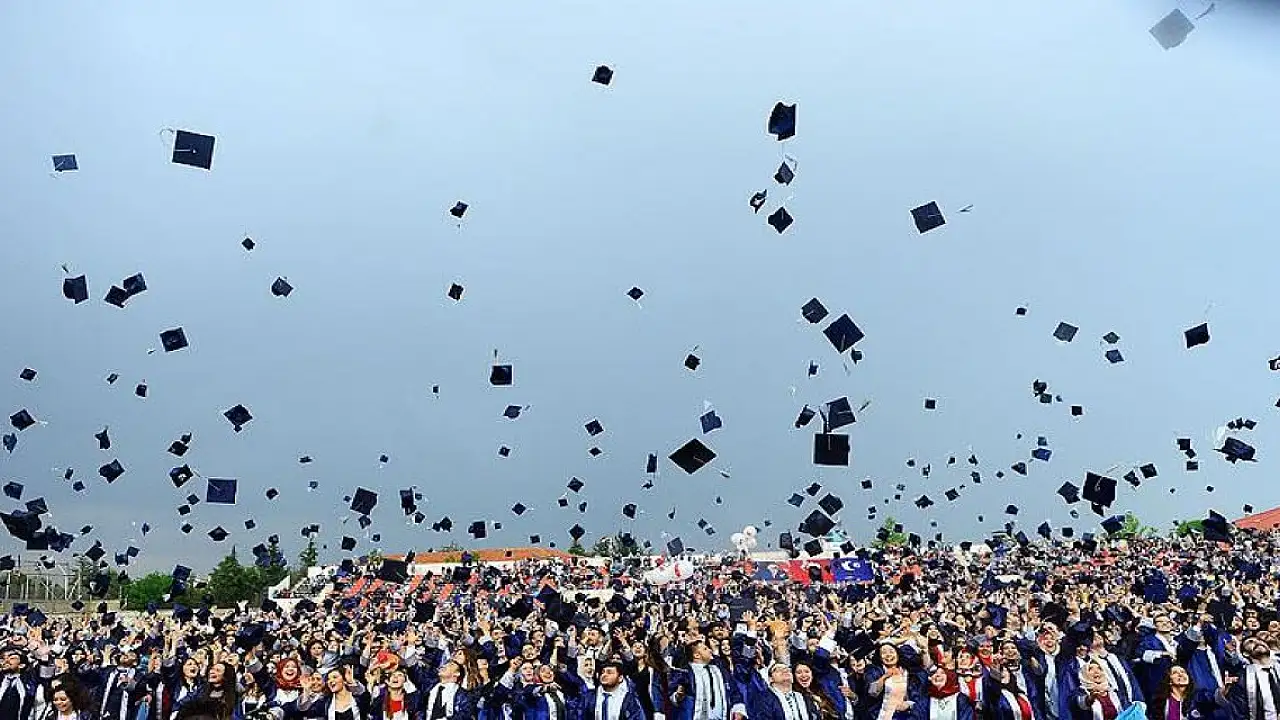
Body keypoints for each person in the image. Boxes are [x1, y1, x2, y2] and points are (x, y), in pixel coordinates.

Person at [578, 660, 644, 720]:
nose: (604, 675)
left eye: (609, 672)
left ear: (620, 678)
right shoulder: (589, 697)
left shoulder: (629, 700)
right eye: (603, 672)